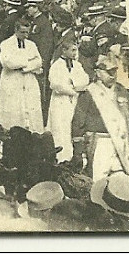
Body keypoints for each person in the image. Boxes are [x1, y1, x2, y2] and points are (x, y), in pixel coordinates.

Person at [70, 54, 129, 181]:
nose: (112, 76)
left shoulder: (122, 91)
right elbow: (78, 123)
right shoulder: (89, 93)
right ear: (98, 73)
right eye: (108, 72)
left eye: (114, 72)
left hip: (121, 144)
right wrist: (79, 151)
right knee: (98, 182)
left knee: (122, 183)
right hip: (100, 142)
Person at [0, 17, 44, 133]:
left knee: (31, 113)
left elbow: (39, 61)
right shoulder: (6, 44)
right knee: (13, 113)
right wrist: (27, 60)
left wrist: (26, 67)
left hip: (28, 80)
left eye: (27, 32)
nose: (26, 35)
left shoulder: (31, 44)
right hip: (12, 81)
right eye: (22, 32)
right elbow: (8, 62)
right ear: (16, 30)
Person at [47, 35, 90, 163]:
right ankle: (61, 157)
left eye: (76, 50)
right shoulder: (56, 65)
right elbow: (55, 84)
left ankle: (73, 157)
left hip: (74, 101)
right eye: (72, 50)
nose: (75, 53)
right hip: (60, 102)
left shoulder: (77, 65)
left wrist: (74, 84)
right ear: (64, 51)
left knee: (72, 127)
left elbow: (85, 79)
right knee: (60, 128)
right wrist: (71, 90)